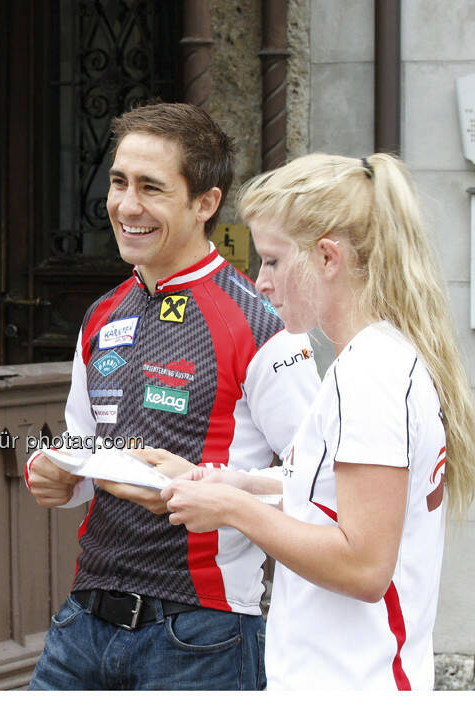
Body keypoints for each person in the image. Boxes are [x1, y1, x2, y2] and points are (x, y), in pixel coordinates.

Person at [24, 102, 320, 690]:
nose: (126, 206)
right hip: (81, 622)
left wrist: (216, 489)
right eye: (118, 182)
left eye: (151, 188)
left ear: (205, 203)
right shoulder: (100, 314)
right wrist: (60, 478)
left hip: (200, 635)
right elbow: (85, 449)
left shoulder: (262, 325)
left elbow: (322, 485)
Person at [158, 153, 475, 690]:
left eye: (274, 261)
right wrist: (244, 484)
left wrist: (233, 508)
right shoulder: (371, 361)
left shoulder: (369, 374)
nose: (261, 282)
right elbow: (338, 502)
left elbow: (363, 565)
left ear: (328, 257)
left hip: (353, 686)